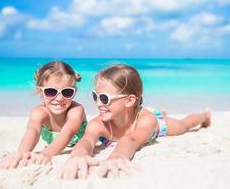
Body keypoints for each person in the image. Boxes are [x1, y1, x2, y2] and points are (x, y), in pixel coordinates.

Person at [59, 64, 210, 179]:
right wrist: (78, 154)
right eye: (95, 96)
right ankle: (165, 112)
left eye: (104, 98)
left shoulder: (147, 120)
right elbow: (87, 140)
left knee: (183, 125)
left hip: (151, 127)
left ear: (129, 101)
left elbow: (131, 139)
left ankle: (204, 116)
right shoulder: (99, 124)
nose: (98, 104)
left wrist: (118, 155)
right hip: (133, 118)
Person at [0, 61, 87, 169]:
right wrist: (22, 153)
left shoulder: (76, 110)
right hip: (57, 145)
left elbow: (67, 132)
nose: (59, 98)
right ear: (40, 92)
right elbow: (32, 131)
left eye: (67, 92)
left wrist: (46, 153)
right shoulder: (39, 113)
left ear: (74, 92)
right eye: (51, 92)